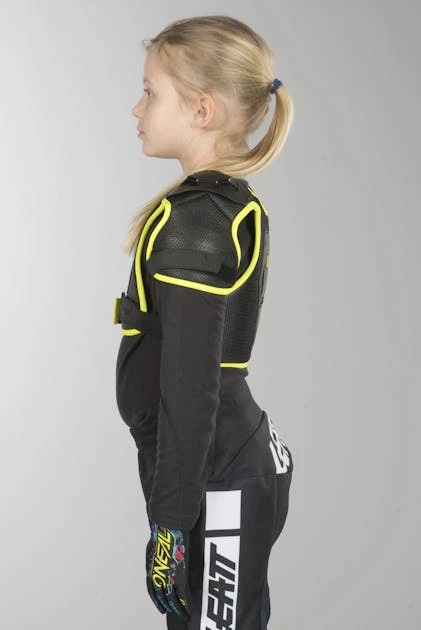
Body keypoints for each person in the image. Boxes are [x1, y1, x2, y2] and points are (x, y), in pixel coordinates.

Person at [113, 14, 295, 630]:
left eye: (150, 92)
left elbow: (192, 386)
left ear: (202, 109)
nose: (137, 108)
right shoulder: (217, 206)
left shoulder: (197, 221)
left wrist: (170, 523)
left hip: (218, 471)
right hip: (218, 466)